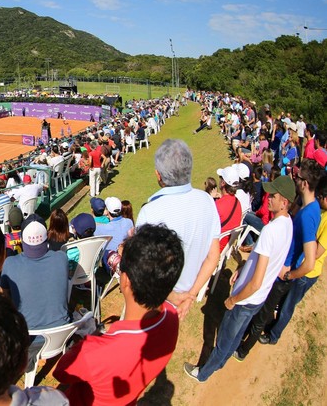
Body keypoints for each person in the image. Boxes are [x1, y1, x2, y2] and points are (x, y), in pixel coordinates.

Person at [54, 224, 184, 405]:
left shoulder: (94, 352)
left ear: (125, 281)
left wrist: (86, 339)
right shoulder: (171, 318)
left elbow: (61, 372)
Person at [184, 175, 295, 380]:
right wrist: (243, 267)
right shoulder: (288, 224)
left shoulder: (270, 231)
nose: (268, 197)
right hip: (258, 297)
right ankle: (222, 361)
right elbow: (269, 263)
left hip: (247, 298)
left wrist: (233, 299)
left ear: (284, 202)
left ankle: (203, 373)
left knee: (225, 338)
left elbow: (257, 281)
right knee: (235, 336)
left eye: (273, 195)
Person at [136, 139, 221, 318]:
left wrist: (174, 297)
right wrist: (191, 294)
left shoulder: (149, 211)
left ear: (158, 175)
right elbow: (213, 256)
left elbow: (145, 271)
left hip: (157, 299)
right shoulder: (207, 200)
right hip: (186, 292)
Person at [256, 160, 323, 346]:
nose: (295, 178)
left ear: (305, 183)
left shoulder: (310, 214)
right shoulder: (308, 205)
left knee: (269, 307)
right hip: (283, 263)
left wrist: (289, 274)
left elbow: (310, 262)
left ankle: (263, 337)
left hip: (285, 270)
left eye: (298, 177)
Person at [0, 217, 70, 330]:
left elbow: (3, 295)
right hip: (62, 336)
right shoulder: (62, 258)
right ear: (47, 237)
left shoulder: (10, 263)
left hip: (27, 339)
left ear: (22, 240)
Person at [94, 197, 134, 269]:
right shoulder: (129, 222)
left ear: (107, 211)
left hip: (111, 265)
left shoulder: (100, 228)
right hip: (126, 260)